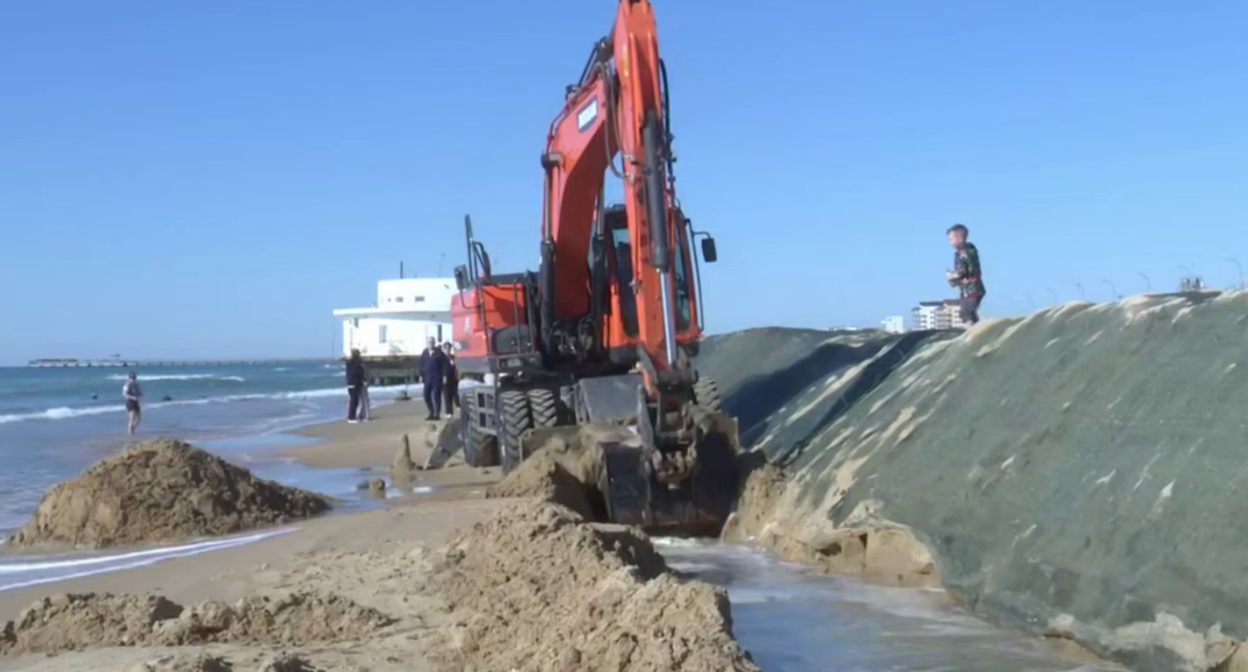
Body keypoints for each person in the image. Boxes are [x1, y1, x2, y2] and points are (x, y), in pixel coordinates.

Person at [945, 223, 986, 326]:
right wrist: (954, 281)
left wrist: (952, 275)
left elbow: (965, 270)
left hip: (973, 290)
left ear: (960, 239)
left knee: (966, 313)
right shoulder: (964, 251)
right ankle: (975, 329)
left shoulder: (966, 251)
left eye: (951, 239)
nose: (950, 243)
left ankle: (973, 330)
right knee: (968, 313)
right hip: (967, 290)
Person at [419, 337, 448, 420]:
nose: (430, 344)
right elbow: (421, 364)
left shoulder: (439, 353)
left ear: (434, 343)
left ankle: (437, 414)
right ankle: (431, 412)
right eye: (428, 342)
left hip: (437, 378)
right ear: (427, 343)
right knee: (426, 395)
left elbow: (445, 365)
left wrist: (444, 375)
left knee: (436, 395)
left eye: (431, 342)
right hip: (427, 378)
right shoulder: (425, 352)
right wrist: (421, 375)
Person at [345, 349, 366, 423]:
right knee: (354, 401)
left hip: (350, 383)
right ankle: (351, 417)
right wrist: (363, 380)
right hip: (355, 383)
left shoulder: (349, 363)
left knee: (354, 400)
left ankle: (354, 416)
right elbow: (359, 373)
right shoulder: (357, 364)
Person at [442, 342, 459, 418]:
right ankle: (448, 411)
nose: (447, 350)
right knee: (446, 395)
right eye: (446, 348)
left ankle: (458, 405)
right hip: (445, 378)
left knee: (455, 393)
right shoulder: (441, 358)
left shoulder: (453, 357)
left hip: (453, 378)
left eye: (449, 348)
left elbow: (456, 367)